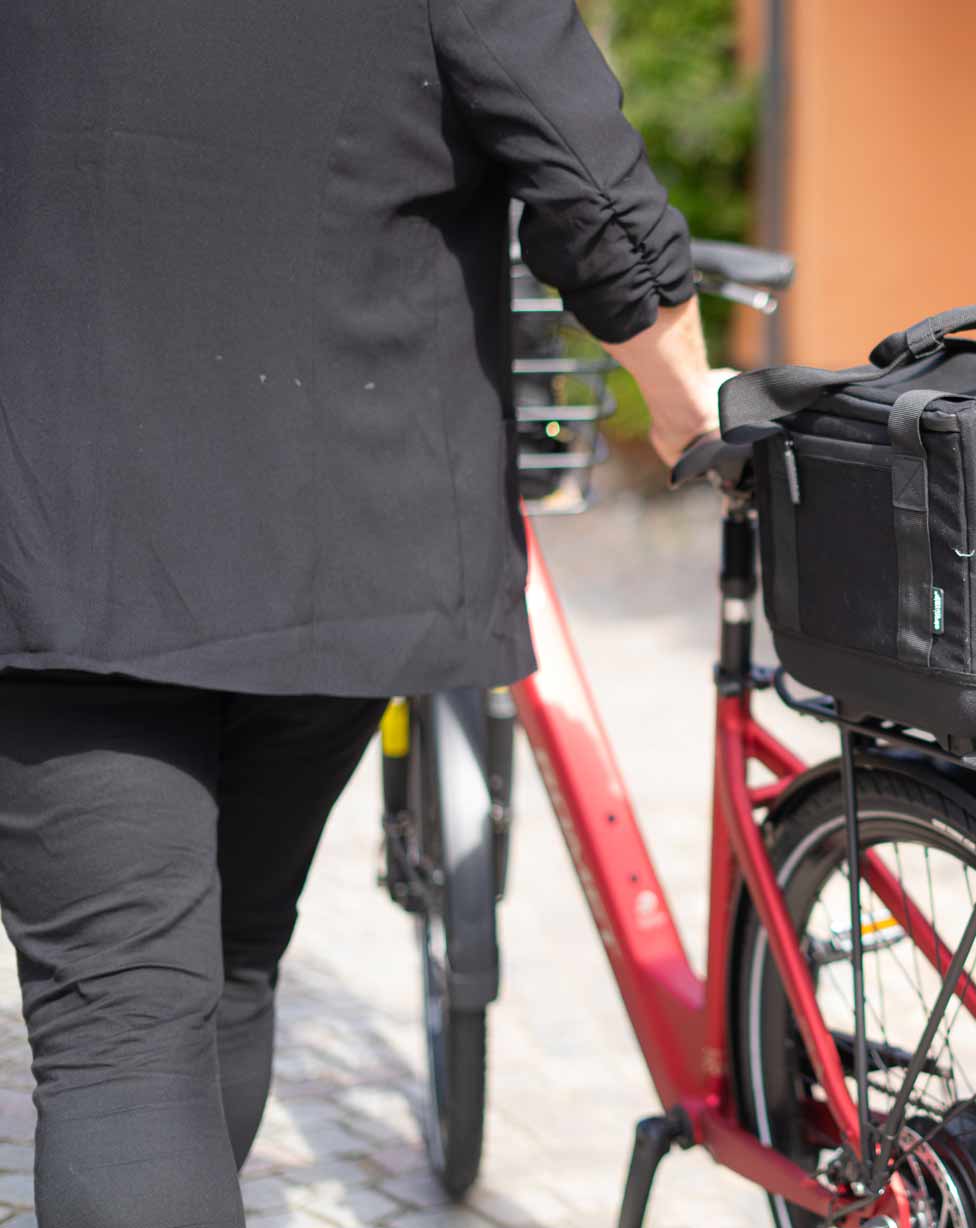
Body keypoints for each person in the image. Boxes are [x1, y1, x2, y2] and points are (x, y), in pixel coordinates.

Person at [0, 1, 718, 1222]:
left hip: (56, 515)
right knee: (225, 962)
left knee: (124, 1029)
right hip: (333, 535)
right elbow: (579, 162)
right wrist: (685, 402)